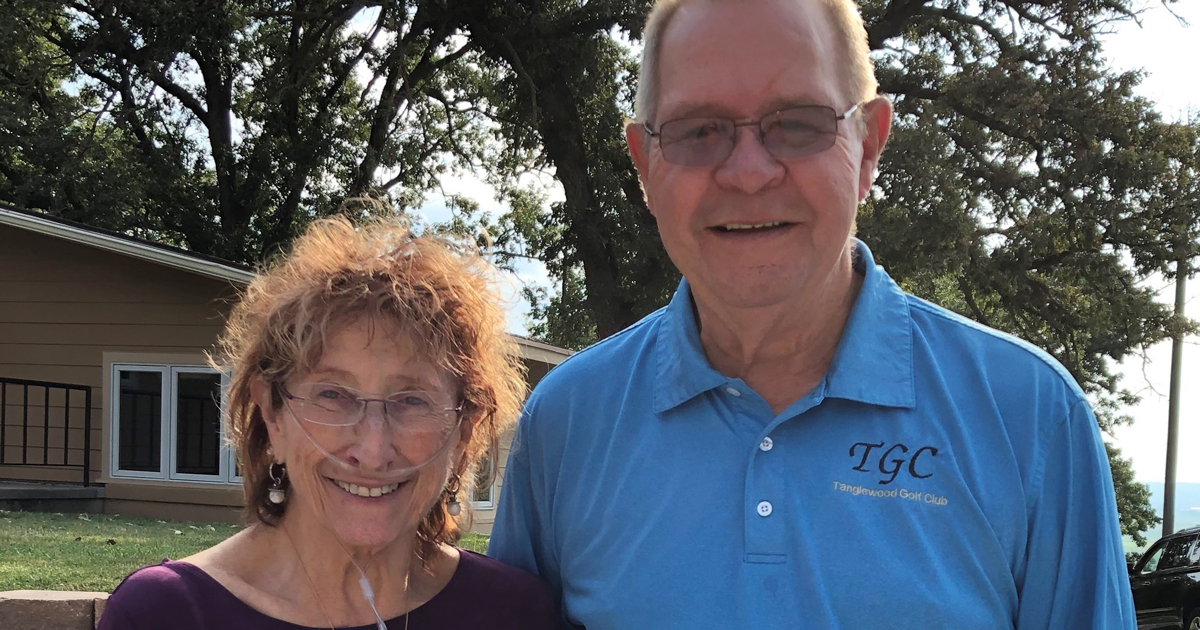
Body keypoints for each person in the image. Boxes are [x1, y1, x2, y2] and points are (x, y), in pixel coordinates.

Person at [487, 0, 1136, 628]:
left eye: (798, 123)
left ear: (870, 145)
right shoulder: (566, 425)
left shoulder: (1031, 421)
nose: (747, 172)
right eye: (697, 131)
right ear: (645, 163)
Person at [99, 217, 558, 629]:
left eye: (412, 400)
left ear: (465, 432)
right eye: (333, 396)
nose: (372, 450)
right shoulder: (166, 614)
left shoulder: (515, 613)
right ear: (271, 413)